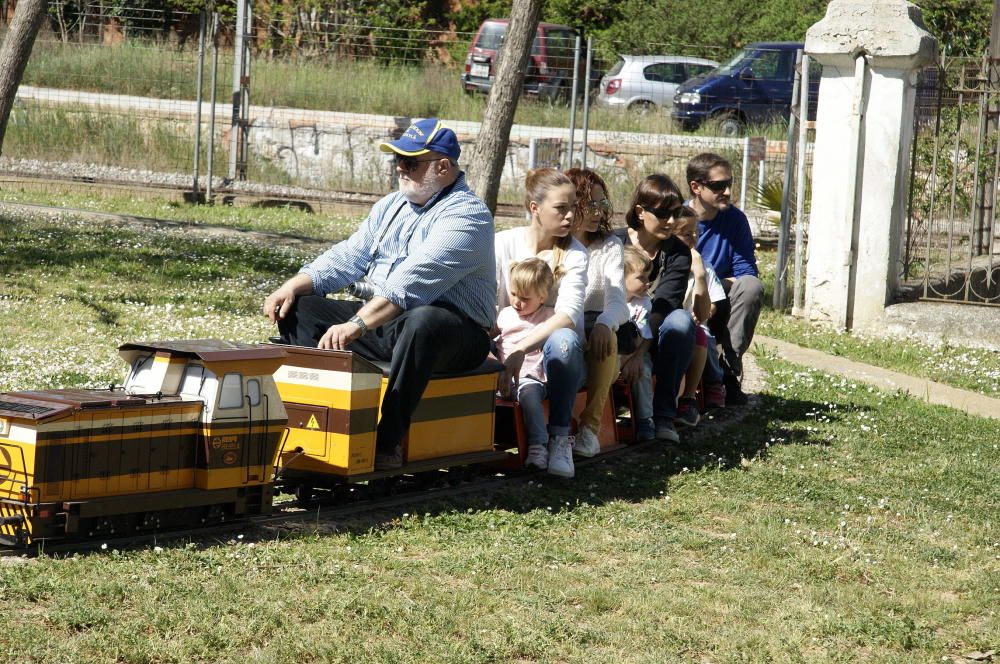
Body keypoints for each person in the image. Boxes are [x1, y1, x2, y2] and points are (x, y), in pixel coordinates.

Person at [262, 118, 496, 470]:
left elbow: (411, 283)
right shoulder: (391, 206)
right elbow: (350, 255)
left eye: (411, 162)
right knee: (301, 309)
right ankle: (324, 422)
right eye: (398, 160)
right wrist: (295, 284)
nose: (400, 168)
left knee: (424, 320)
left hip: (453, 335)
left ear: (444, 167)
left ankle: (387, 442)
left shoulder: (468, 217)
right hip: (389, 322)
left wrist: (357, 323)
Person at [495, 168, 588, 478]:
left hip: (558, 362)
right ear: (534, 208)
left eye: (573, 206)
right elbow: (491, 310)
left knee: (562, 339)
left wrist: (521, 347)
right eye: (561, 208)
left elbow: (568, 315)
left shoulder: (574, 254)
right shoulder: (503, 244)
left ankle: (560, 438)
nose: (570, 215)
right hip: (508, 352)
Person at [614, 174, 695, 444]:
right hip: (611, 331)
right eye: (663, 214)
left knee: (681, 321)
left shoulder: (678, 253)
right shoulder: (613, 243)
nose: (671, 222)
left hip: (654, 338)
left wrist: (639, 353)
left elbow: (663, 306)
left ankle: (663, 416)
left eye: (676, 213)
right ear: (640, 211)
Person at [686, 152, 764, 405]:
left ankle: (729, 369)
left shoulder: (735, 219)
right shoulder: (678, 218)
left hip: (719, 291)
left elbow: (746, 272)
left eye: (729, 183)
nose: (727, 191)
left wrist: (712, 288)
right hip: (685, 292)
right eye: (719, 185)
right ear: (696, 187)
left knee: (751, 287)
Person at [565, 168, 629, 458]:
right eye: (589, 204)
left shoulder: (609, 245)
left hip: (596, 326)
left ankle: (589, 429)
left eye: (601, 204)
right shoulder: (556, 243)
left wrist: (605, 322)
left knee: (608, 339)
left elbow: (618, 302)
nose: (597, 212)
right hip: (559, 324)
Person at [494, 258, 558, 467]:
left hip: (532, 378)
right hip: (501, 378)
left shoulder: (548, 317)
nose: (517, 302)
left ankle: (538, 445)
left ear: (542, 297)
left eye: (525, 298)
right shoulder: (505, 314)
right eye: (513, 294)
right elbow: (487, 336)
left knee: (529, 396)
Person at [674, 210, 728, 412]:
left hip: (696, 322)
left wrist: (700, 276)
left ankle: (715, 382)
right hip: (674, 324)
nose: (693, 237)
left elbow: (715, 300)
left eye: (696, 232)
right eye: (686, 233)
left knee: (707, 338)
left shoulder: (704, 266)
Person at [619, 245, 655, 442]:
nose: (648, 283)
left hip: (637, 353)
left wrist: (636, 358)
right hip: (614, 355)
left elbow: (646, 335)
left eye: (648, 277)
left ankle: (644, 419)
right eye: (641, 278)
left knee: (643, 372)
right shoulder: (608, 301)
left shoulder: (642, 304)